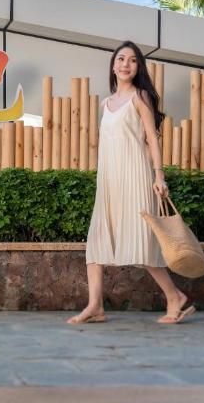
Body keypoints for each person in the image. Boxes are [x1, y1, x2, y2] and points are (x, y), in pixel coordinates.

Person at [67, 41, 195, 325]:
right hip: (109, 180)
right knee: (96, 241)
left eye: (133, 60)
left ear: (138, 68)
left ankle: (175, 297)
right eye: (121, 59)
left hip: (136, 176)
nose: (126, 64)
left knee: (142, 242)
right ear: (113, 65)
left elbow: (152, 138)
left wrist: (159, 176)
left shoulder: (140, 98)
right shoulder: (105, 104)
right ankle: (95, 306)